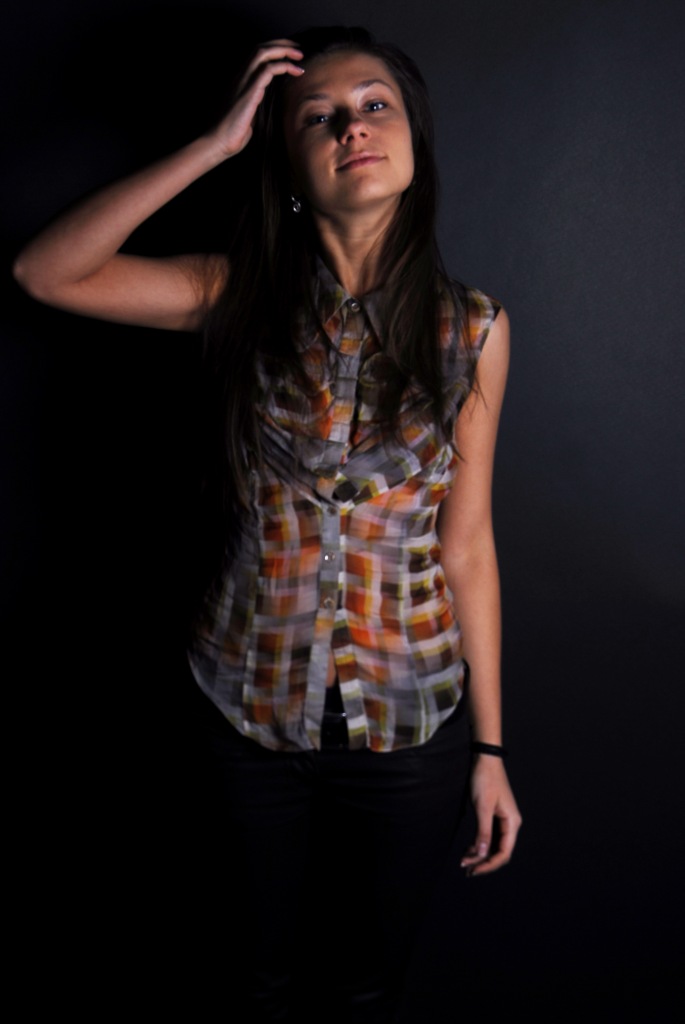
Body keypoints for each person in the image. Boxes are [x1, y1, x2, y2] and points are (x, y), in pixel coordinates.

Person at [14, 26, 522, 1022]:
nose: (351, 127)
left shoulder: (474, 329)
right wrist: (215, 144)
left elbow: (466, 543)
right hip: (242, 718)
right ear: (287, 161)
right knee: (246, 982)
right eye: (318, 118)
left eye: (373, 105)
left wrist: (492, 752)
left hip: (409, 728)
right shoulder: (234, 293)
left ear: (413, 141)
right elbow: (46, 272)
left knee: (364, 988)